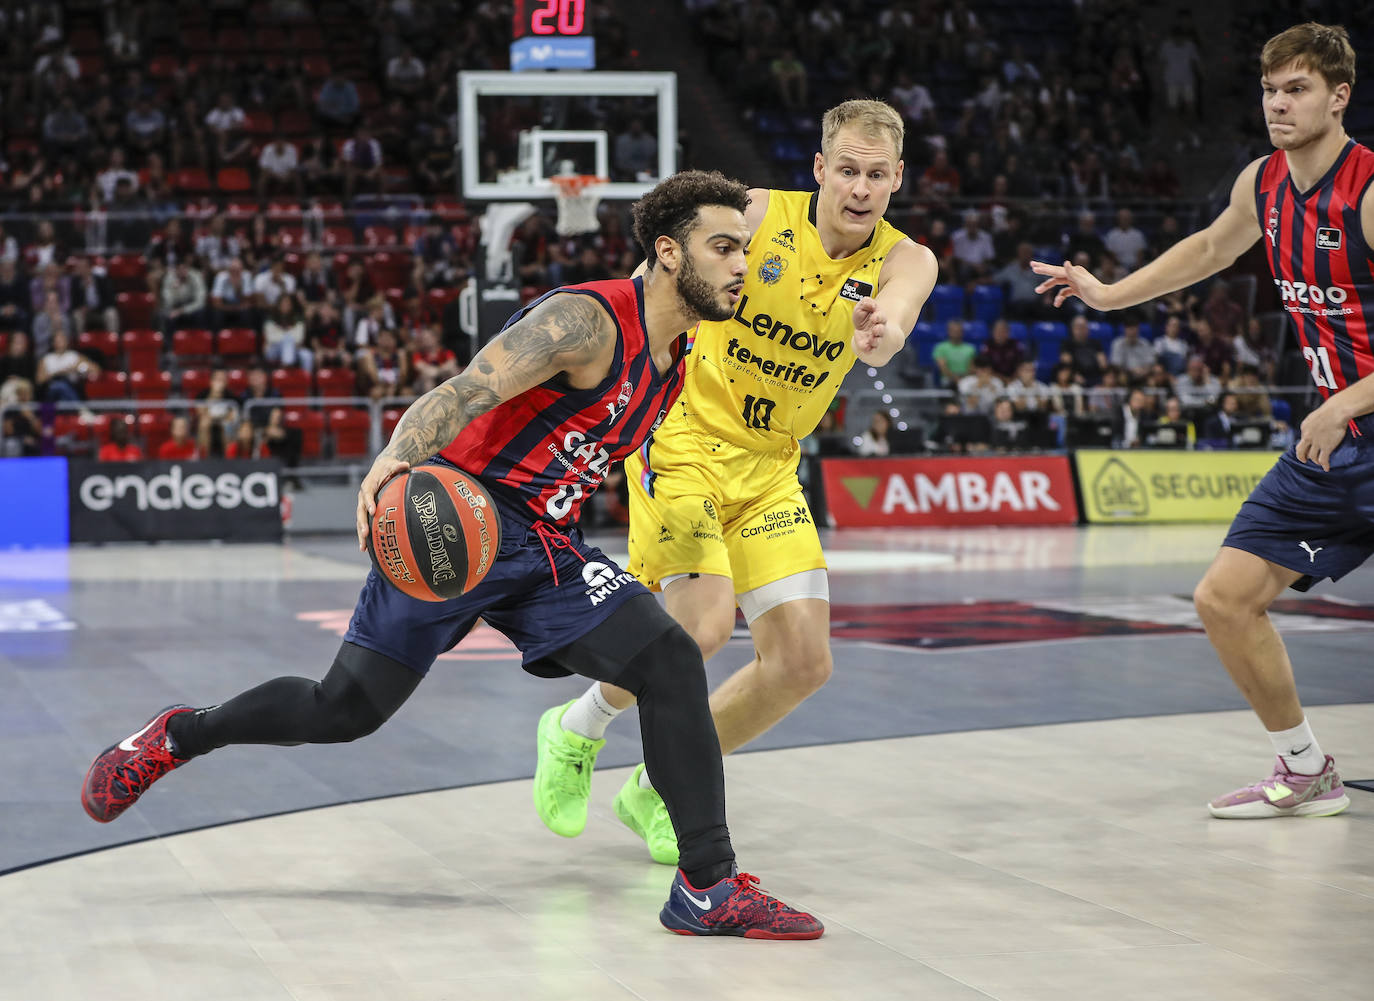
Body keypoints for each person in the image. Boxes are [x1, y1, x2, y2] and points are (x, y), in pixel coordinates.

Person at [79, 170, 822, 940]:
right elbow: (466, 390)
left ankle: (706, 884)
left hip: (544, 547)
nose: (742, 263)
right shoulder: (588, 321)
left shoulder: (679, 357)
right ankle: (179, 733)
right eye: (724, 246)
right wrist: (396, 457)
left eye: (745, 247)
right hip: (455, 522)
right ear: (670, 252)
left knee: (669, 655)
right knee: (342, 711)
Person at [532, 100, 936, 866]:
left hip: (769, 465)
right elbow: (649, 289)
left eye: (876, 175)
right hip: (680, 434)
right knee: (705, 625)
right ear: (819, 168)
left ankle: (654, 782)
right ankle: (578, 727)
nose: (859, 188)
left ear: (896, 180)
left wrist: (885, 327)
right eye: (846, 169)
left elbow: (898, 313)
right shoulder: (751, 216)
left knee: (802, 662)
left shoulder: (903, 257)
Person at [1033, 22, 1366, 820]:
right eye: (1269, 89)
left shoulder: (1370, 190)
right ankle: (1305, 767)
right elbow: (1211, 247)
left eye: (1297, 89)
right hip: (1337, 449)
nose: (1278, 104)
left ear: (1339, 96)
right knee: (1223, 598)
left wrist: (1346, 399)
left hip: (1344, 416)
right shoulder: (1264, 183)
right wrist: (1109, 294)